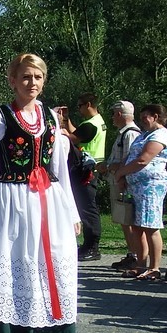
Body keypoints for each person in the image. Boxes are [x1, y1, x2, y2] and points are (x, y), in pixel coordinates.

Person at [0, 53, 79, 333]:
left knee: (46, 270)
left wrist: (72, 212)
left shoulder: (50, 116)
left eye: (37, 77)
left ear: (43, 80)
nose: (31, 83)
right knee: (17, 267)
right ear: (12, 80)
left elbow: (59, 167)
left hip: (47, 201)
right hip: (11, 202)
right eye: (25, 77)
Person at [114, 104, 167, 282]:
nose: (142, 120)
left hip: (151, 187)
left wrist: (121, 173)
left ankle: (154, 268)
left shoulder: (160, 135)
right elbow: (131, 155)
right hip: (136, 187)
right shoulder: (144, 134)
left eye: (145, 116)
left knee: (150, 226)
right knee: (138, 227)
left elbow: (143, 160)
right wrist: (123, 175)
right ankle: (140, 265)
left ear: (155, 116)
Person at [58, 93, 106, 261]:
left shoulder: (90, 125)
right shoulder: (96, 122)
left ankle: (92, 246)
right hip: (90, 169)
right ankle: (88, 245)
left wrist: (59, 130)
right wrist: (66, 120)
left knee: (87, 208)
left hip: (87, 170)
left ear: (88, 104)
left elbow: (72, 138)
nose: (78, 109)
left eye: (80, 106)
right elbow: (77, 132)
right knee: (85, 206)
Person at [102, 101, 142, 271]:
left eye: (113, 114)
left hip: (123, 183)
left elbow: (129, 160)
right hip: (119, 180)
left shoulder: (130, 134)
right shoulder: (123, 133)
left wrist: (111, 168)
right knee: (123, 220)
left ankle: (136, 256)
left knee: (128, 220)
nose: (112, 118)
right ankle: (132, 253)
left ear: (119, 114)